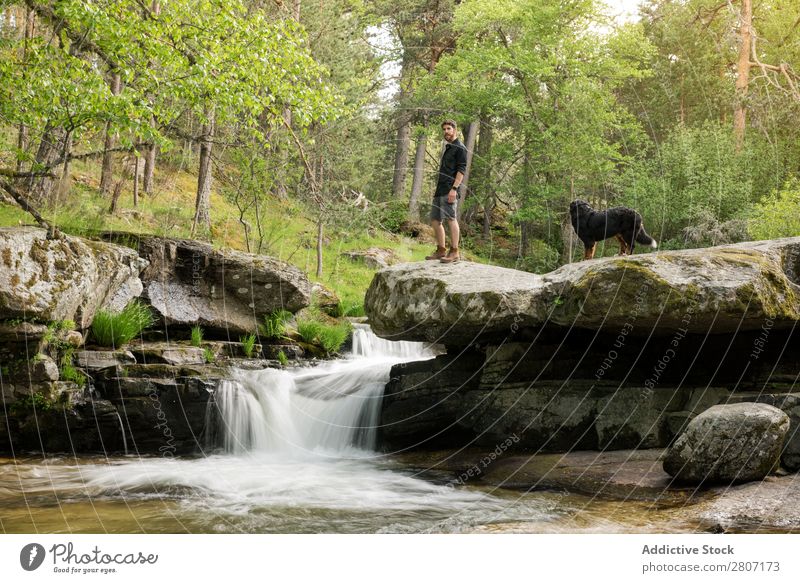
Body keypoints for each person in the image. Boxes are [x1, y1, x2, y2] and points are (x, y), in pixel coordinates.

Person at [425, 119, 467, 263]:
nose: (446, 132)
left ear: (455, 130)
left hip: (450, 189)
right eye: (444, 129)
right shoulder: (448, 148)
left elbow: (461, 170)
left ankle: (454, 251)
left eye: (448, 129)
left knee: (451, 219)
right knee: (435, 220)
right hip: (440, 189)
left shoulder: (460, 147)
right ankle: (441, 250)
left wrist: (454, 189)